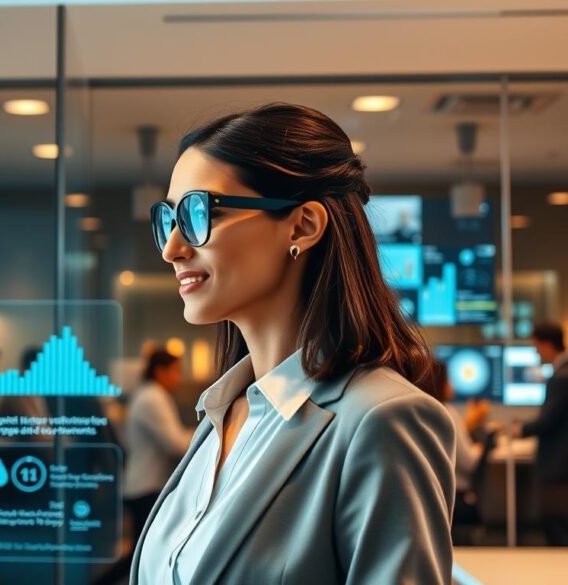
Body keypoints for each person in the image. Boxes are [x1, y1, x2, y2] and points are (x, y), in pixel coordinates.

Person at [133, 103, 455, 584]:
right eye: (170, 218)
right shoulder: (222, 414)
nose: (172, 247)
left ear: (302, 226)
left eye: (198, 213)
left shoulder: (381, 420)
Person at [94, 349, 193, 585]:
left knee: (144, 552)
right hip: (145, 486)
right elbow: (175, 444)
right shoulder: (153, 398)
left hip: (145, 484)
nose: (178, 378)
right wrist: (210, 435)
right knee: (141, 555)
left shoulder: (148, 395)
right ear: (160, 371)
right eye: (175, 371)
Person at [515, 322, 568, 545]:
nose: (536, 354)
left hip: (558, 465)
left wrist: (520, 430)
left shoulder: (561, 377)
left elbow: (548, 421)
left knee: (555, 524)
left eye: (536, 347)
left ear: (547, 345)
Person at [433, 359, 491, 542]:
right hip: (458, 496)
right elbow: (469, 462)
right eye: (448, 379)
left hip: (437, 495)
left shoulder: (426, 409)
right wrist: (484, 443)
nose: (452, 385)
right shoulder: (447, 411)